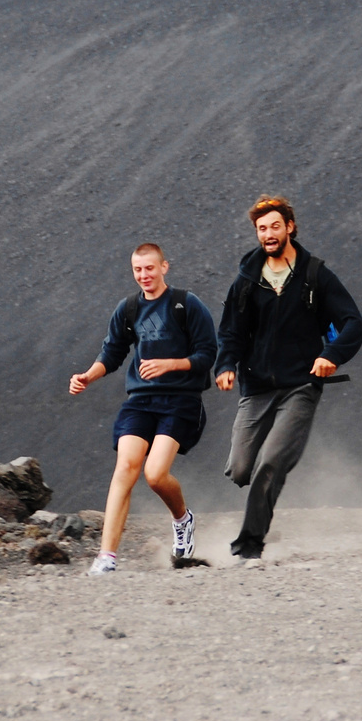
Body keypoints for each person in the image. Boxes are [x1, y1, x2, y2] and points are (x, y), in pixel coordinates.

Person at [215, 196, 362, 559]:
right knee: (239, 469)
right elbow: (230, 331)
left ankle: (249, 544)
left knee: (272, 462)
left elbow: (354, 324)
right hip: (256, 388)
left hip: (300, 386)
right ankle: (250, 492)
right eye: (262, 229)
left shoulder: (315, 275)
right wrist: (225, 365)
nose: (268, 234)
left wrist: (330, 355)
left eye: (275, 226)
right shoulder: (247, 281)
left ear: (290, 227)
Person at [69, 243, 218, 574]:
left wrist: (170, 365)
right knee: (125, 467)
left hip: (181, 401)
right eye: (138, 270)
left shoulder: (185, 304)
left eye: (150, 268)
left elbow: (208, 353)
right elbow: (112, 352)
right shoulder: (129, 308)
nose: (144, 275)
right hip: (140, 401)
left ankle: (182, 519)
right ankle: (106, 558)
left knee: (154, 475)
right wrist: (87, 376)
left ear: (164, 266)